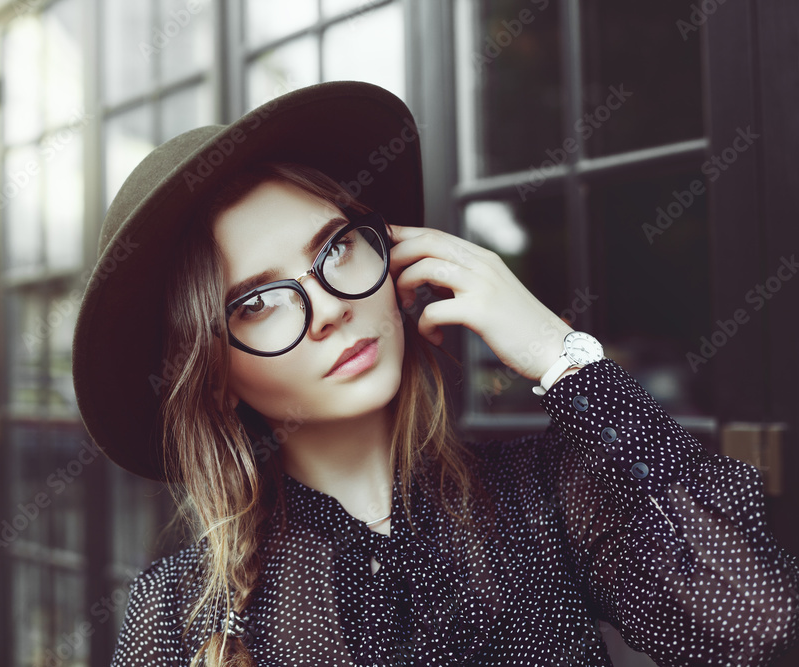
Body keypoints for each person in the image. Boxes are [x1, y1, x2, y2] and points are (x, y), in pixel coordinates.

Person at [71, 81, 799, 666]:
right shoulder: (175, 614)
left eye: (335, 250)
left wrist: (560, 352)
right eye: (258, 301)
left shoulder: (551, 495)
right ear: (216, 374)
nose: (326, 306)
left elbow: (758, 626)